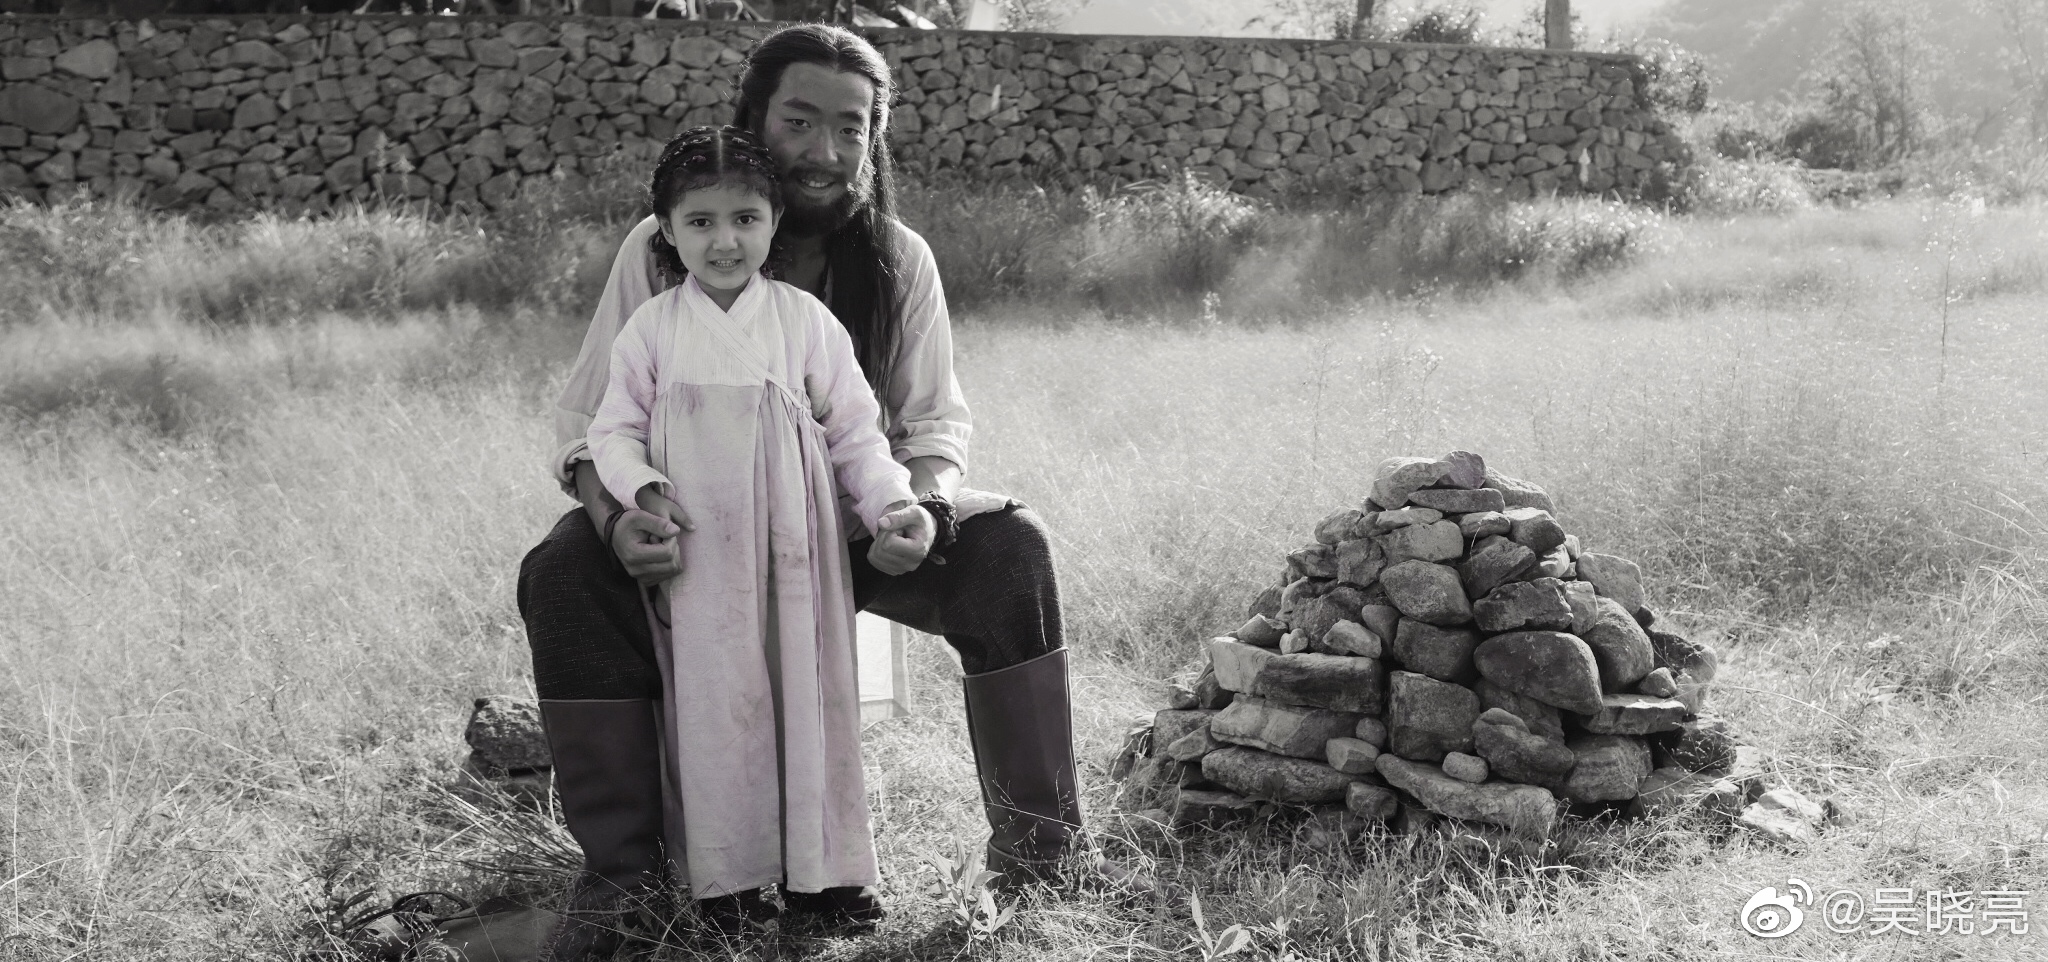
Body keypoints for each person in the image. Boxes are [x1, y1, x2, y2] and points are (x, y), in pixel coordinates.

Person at [517, 23, 1131, 962]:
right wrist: (618, 517)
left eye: (853, 129)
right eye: (799, 122)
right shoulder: (660, 246)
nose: (825, 151)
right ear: (753, 122)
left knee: (1012, 546)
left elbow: (932, 427)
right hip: (696, 538)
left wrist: (917, 512)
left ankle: (1042, 859)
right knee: (563, 566)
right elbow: (590, 423)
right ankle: (626, 886)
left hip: (845, 532)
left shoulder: (900, 259)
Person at [583, 124, 930, 948]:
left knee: (813, 699)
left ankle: (830, 876)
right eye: (699, 221)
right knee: (716, 707)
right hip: (700, 549)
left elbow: (856, 432)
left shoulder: (804, 321)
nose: (724, 241)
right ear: (667, 231)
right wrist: (642, 491)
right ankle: (730, 883)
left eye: (745, 218)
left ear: (774, 222)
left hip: (796, 549)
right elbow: (611, 432)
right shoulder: (653, 329)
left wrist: (891, 504)